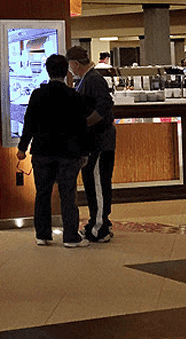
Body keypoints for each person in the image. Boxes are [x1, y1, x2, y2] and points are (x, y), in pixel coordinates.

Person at [16, 54, 90, 248]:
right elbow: (81, 127)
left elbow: (29, 123)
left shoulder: (38, 95)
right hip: (69, 152)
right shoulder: (74, 96)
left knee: (42, 193)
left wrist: (22, 148)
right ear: (66, 73)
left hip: (42, 151)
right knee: (68, 194)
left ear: (47, 71)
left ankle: (43, 235)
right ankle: (70, 237)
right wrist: (84, 152)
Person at [67, 45, 116, 243]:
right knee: (94, 183)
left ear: (75, 64)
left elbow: (104, 105)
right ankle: (100, 221)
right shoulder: (87, 80)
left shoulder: (93, 80)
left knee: (97, 184)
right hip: (94, 142)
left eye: (70, 64)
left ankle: (98, 227)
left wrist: (85, 123)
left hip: (100, 142)